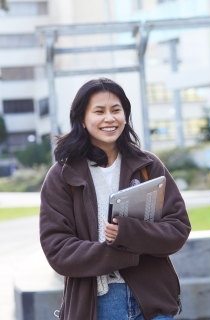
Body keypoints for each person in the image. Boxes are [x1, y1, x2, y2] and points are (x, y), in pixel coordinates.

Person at [39, 78, 191, 320]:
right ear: (82, 119)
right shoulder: (62, 175)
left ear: (125, 115)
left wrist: (127, 233)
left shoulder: (148, 165)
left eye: (116, 110)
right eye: (99, 111)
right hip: (97, 305)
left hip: (153, 302)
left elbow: (178, 229)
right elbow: (58, 251)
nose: (109, 118)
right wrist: (126, 253)